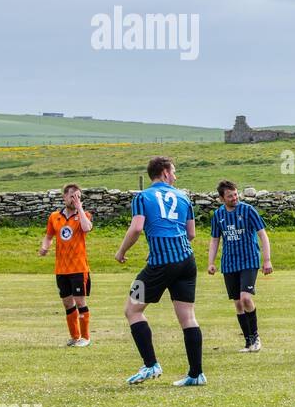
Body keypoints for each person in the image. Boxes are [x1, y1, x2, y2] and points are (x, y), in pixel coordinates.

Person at [116, 156, 204, 386]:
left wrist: (121, 251)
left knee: (132, 310)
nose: (175, 176)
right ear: (164, 173)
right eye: (173, 172)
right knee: (188, 318)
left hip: (160, 263)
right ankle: (196, 374)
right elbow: (191, 234)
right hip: (187, 261)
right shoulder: (184, 197)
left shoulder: (142, 197)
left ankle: (150, 365)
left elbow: (136, 228)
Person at [207, 180, 273, 353]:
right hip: (229, 264)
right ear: (222, 198)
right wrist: (211, 262)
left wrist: (266, 260)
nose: (234, 198)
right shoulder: (218, 215)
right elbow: (215, 240)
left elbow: (263, 235)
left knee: (245, 298)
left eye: (236, 194)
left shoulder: (248, 210)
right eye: (230, 196)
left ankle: (256, 337)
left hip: (249, 260)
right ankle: (248, 341)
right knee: (237, 303)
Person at [39, 184, 94, 347]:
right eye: (72, 196)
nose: (75, 199)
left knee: (80, 302)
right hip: (61, 269)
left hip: (78, 268)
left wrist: (80, 209)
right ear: (64, 197)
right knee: (67, 303)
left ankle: (85, 337)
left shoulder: (85, 215)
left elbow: (87, 228)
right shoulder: (54, 216)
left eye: (78, 197)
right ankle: (74, 336)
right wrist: (44, 247)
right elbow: (49, 236)